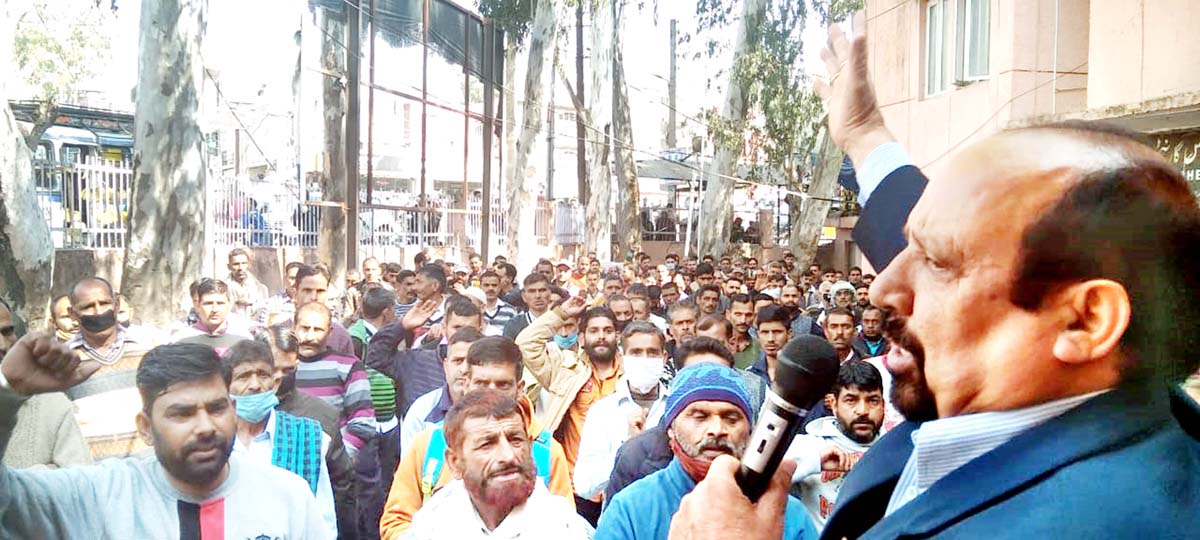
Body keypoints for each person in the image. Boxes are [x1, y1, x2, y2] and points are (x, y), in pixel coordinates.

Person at [815, 25, 1200, 539]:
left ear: (1086, 320)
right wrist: (865, 135)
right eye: (909, 245)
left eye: (936, 261)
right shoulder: (1088, 385)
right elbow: (971, 244)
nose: (883, 288)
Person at [0, 337, 328, 538]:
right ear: (145, 427)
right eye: (182, 413)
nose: (205, 427)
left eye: (216, 408)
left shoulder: (288, 496)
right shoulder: (100, 495)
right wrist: (6, 391)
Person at [379, 337, 575, 538]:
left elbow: (566, 526)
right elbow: (396, 521)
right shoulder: (428, 444)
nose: (491, 393)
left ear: (520, 389)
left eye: (503, 384)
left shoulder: (548, 452)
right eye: (482, 383)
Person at [595, 363, 817, 540]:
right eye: (699, 417)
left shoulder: (786, 512)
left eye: (731, 418)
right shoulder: (631, 508)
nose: (717, 430)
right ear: (671, 429)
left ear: (750, 431)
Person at [398, 391, 592, 539]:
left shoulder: (566, 529)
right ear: (455, 463)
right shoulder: (430, 527)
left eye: (516, 440)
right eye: (487, 444)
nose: (508, 456)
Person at [516, 297, 622, 522]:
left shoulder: (632, 376)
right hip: (573, 486)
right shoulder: (565, 370)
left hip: (620, 485)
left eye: (607, 330)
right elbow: (525, 344)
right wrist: (561, 313)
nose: (601, 336)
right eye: (593, 331)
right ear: (582, 338)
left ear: (617, 336)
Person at [222, 340, 339, 538]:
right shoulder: (216, 441)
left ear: (275, 383)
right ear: (226, 388)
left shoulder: (307, 437)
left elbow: (323, 518)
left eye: (263, 375)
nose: (255, 385)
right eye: (243, 377)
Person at [262, 325, 359, 539]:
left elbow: (340, 484)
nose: (278, 378)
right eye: (272, 369)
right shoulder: (234, 414)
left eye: (287, 370)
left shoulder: (320, 416)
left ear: (297, 364)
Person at [63, 276, 162, 459]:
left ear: (116, 305)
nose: (98, 312)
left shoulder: (149, 346)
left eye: (104, 303)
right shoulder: (63, 360)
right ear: (72, 313)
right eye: (87, 307)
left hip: (149, 464)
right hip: (93, 469)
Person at [573, 322, 670, 502]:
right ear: (621, 357)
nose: (644, 359)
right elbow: (584, 486)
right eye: (636, 353)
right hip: (619, 513)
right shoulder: (603, 411)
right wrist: (627, 448)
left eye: (652, 353)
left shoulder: (675, 409)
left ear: (663, 358)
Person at [784, 360, 885, 531]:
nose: (863, 410)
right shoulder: (809, 445)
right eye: (851, 400)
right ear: (833, 404)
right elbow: (759, 483)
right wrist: (815, 461)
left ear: (883, 405)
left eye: (872, 400)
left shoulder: (895, 450)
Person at [0, 299, 90, 470]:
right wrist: (44, 474)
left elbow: (81, 477)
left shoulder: (52, 404)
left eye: (7, 332)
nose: (2, 345)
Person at [372, 297, 484, 417]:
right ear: (444, 327)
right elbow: (376, 359)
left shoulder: (490, 369)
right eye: (457, 327)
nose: (462, 333)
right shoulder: (415, 361)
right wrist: (401, 326)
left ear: (481, 330)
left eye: (470, 329)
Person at [293, 302, 376, 461]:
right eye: (304, 328)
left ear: (329, 332)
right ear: (294, 327)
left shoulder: (349, 366)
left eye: (318, 330)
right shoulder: (284, 367)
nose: (310, 337)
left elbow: (363, 420)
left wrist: (342, 459)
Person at [398, 327, 483, 449]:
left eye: (472, 362)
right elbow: (410, 459)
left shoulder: (497, 407)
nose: (464, 369)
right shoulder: (422, 410)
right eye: (458, 361)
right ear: (446, 366)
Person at [172, 279, 254, 354]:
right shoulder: (182, 339)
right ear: (197, 306)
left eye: (220, 303)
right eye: (208, 304)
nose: (214, 309)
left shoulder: (243, 339)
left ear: (229, 305)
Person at [747, 305, 794, 384]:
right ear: (758, 335)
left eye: (777, 332)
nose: (770, 339)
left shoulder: (802, 373)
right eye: (765, 332)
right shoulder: (750, 374)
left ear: (789, 334)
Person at [501, 273, 553, 340]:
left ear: (550, 293)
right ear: (523, 296)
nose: (537, 296)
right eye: (532, 291)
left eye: (542, 290)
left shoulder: (559, 322)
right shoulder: (513, 325)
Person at [226, 248, 270, 319]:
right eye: (236, 264)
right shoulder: (223, 289)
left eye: (244, 263)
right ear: (229, 267)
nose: (240, 268)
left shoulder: (261, 289)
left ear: (249, 265)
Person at [726, 294, 760, 369]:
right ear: (728, 314)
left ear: (754, 316)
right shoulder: (718, 344)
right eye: (738, 314)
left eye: (748, 315)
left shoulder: (759, 347)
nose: (743, 320)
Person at [479, 270, 517, 335]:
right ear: (480, 287)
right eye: (486, 285)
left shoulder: (511, 311)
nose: (490, 288)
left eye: (494, 285)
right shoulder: (474, 310)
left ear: (499, 287)